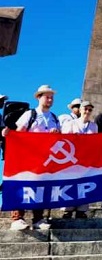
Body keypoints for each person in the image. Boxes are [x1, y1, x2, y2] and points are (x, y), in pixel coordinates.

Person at [4, 85, 60, 230]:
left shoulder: (54, 117)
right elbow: (19, 133)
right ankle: (17, 217)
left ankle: (38, 218)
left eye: (51, 97)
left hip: (45, 159)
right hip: (28, 157)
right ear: (39, 97)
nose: (50, 99)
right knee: (22, 185)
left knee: (42, 188)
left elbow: (59, 139)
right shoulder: (30, 114)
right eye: (47, 96)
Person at [61, 101, 98, 218]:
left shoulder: (94, 126)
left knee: (84, 184)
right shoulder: (71, 123)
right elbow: (65, 139)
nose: (87, 111)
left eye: (89, 110)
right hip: (72, 159)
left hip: (86, 160)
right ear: (80, 110)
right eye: (85, 109)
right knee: (70, 183)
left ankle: (82, 209)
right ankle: (68, 209)